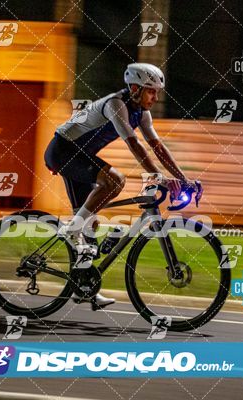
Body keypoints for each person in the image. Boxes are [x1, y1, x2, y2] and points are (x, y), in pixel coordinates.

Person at [44, 63, 200, 309]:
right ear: (135, 89)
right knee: (115, 180)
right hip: (62, 151)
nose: (155, 97)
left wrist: (183, 179)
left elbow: (157, 147)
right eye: (151, 91)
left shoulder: (142, 113)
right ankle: (72, 230)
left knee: (90, 226)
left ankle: (85, 288)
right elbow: (134, 145)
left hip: (80, 156)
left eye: (157, 92)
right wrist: (160, 178)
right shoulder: (115, 105)